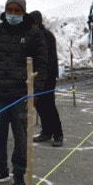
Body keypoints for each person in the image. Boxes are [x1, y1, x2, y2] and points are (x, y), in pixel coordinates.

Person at [0, 0, 48, 185]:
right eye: (10, 10)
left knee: (21, 137)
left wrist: (35, 93)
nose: (13, 14)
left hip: (21, 95)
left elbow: (42, 65)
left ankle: (19, 173)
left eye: (17, 11)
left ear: (24, 12)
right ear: (5, 10)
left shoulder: (34, 35)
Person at [29, 10, 64, 147]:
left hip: (47, 77)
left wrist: (45, 76)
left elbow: (47, 60)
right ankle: (46, 131)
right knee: (40, 105)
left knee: (49, 106)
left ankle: (58, 134)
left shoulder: (46, 36)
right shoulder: (34, 35)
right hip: (37, 77)